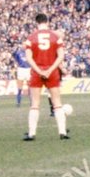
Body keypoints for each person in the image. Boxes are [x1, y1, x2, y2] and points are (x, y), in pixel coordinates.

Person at [22, 13, 69, 141]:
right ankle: (62, 132)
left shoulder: (31, 37)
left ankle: (32, 133)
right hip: (52, 71)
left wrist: (39, 70)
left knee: (35, 104)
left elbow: (28, 57)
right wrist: (50, 70)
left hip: (37, 72)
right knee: (57, 103)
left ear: (36, 23)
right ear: (47, 22)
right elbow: (60, 56)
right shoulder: (56, 37)